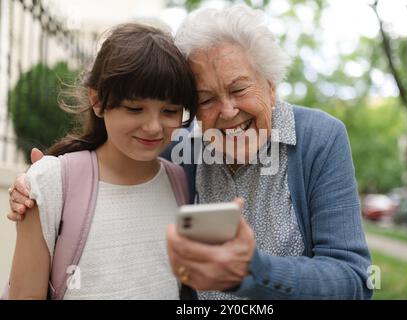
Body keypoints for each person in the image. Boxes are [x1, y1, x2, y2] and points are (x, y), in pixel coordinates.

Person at [7, 5, 373, 300]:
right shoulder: (178, 151)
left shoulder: (318, 138)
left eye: (240, 88)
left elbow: (356, 280)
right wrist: (40, 185)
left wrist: (253, 270)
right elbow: (113, 158)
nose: (228, 111)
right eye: (206, 99)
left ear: (271, 86)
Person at [5, 23, 199, 299]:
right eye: (135, 108)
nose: (154, 126)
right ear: (97, 100)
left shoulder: (179, 180)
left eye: (169, 111)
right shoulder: (50, 181)